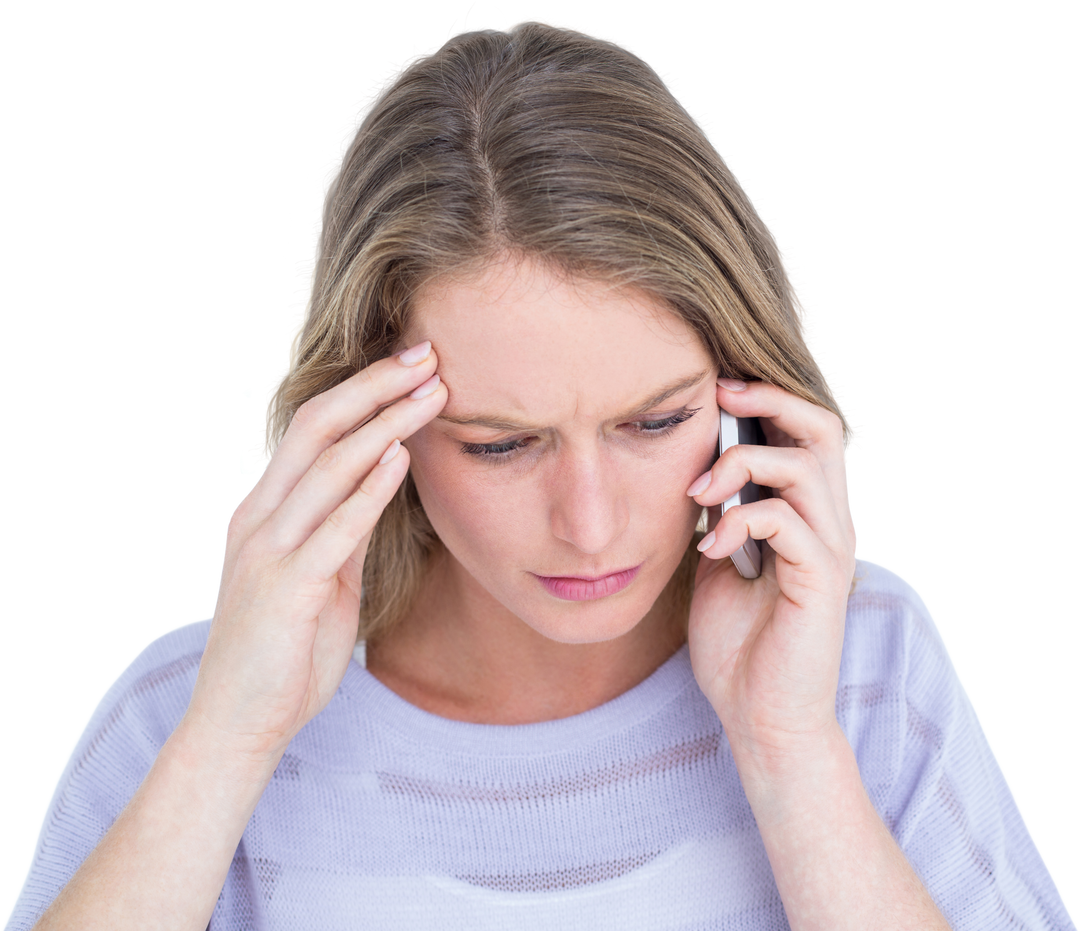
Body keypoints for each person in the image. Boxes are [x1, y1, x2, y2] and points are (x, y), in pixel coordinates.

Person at [5, 9, 1074, 931]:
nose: (593, 525)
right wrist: (232, 735)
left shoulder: (862, 655)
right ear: (365, 419)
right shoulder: (189, 708)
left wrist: (786, 745)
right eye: (501, 444)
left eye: (654, 422)